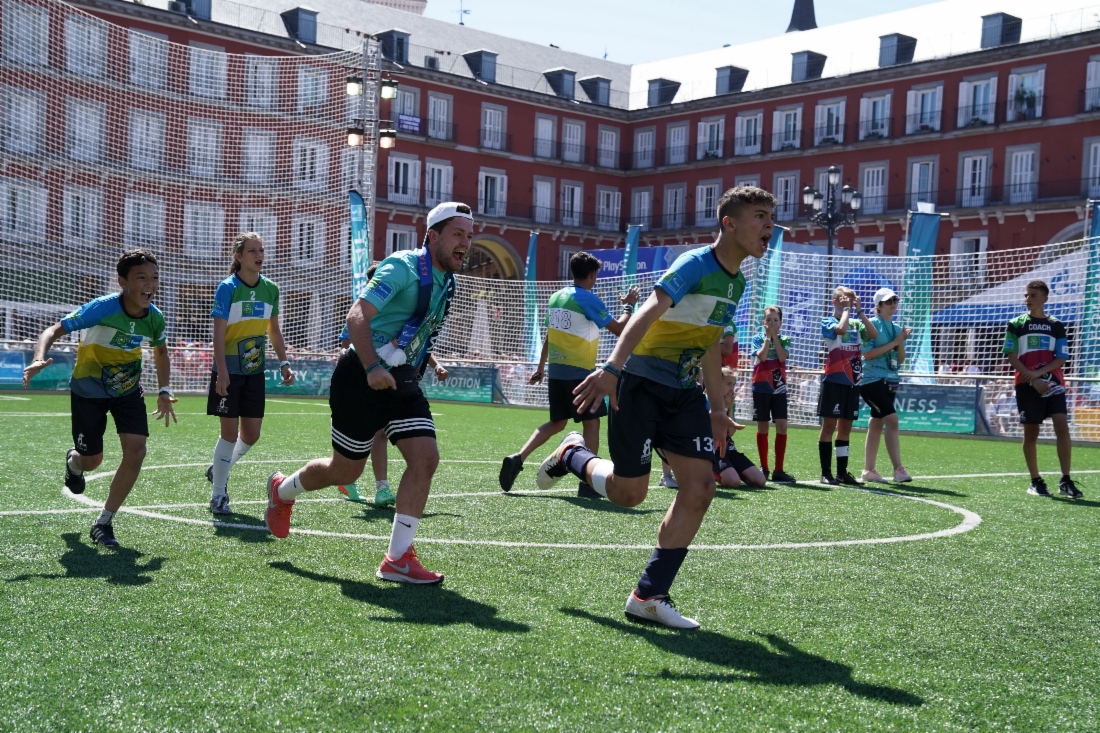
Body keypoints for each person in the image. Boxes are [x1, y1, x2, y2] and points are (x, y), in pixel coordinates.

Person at [535, 185, 776, 629]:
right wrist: (612, 368)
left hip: (683, 394)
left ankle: (648, 594)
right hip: (641, 384)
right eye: (760, 216)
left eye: (771, 217)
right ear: (730, 223)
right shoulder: (694, 265)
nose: (770, 226)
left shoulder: (737, 282)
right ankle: (573, 454)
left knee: (701, 488)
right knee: (631, 495)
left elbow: (706, 344)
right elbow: (646, 312)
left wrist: (717, 408)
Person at [264, 201, 473, 584]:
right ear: (433, 235)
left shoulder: (450, 282)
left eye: (470, 236)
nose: (466, 243)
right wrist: (374, 367)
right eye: (458, 234)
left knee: (425, 458)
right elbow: (356, 316)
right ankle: (283, 489)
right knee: (344, 469)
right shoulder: (403, 266)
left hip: (402, 380)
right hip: (361, 374)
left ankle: (397, 559)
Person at [22, 249, 177, 547]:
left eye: (154, 278)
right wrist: (39, 358)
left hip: (127, 390)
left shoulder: (155, 318)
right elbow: (53, 330)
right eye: (141, 277)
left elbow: (160, 352)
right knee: (92, 461)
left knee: (136, 451)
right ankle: (74, 463)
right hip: (88, 391)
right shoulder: (102, 308)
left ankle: (104, 522)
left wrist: (165, 391)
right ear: (122, 282)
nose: (150, 284)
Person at [498, 252, 639, 497]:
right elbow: (619, 329)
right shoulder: (588, 299)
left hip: (557, 373)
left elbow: (550, 335)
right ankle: (588, 483)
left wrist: (541, 367)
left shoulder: (556, 297)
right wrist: (628, 306)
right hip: (581, 375)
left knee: (557, 422)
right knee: (592, 424)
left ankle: (518, 458)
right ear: (592, 274)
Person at [205, 233, 295, 515]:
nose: (259, 255)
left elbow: (274, 331)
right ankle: (218, 495)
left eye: (262, 250)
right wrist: (221, 372)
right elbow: (218, 335)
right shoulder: (227, 288)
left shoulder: (271, 289)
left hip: (255, 369)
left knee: (252, 434)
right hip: (228, 370)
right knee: (229, 435)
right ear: (239, 256)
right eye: (252, 250)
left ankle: (219, 467)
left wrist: (284, 362)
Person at [1003, 280, 1082, 499]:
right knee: (1032, 432)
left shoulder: (1056, 325)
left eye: (1033, 295)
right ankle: (1036, 481)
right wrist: (1032, 380)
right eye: (1026, 295)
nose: (1028, 299)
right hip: (1026, 386)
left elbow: (1062, 357)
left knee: (1062, 426)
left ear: (1045, 299)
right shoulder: (1015, 324)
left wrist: (1039, 374)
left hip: (1053, 385)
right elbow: (1012, 356)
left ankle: (1065, 480)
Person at [818, 286, 877, 485]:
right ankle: (826, 473)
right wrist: (844, 311)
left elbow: (873, 334)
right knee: (828, 427)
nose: (849, 305)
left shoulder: (855, 323)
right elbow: (840, 330)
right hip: (834, 380)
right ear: (835, 302)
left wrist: (859, 312)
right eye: (844, 301)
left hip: (853, 382)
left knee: (845, 428)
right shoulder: (828, 321)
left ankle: (842, 472)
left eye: (851, 302)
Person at [858, 288, 913, 483]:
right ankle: (898, 469)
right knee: (892, 420)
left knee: (877, 422)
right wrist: (897, 341)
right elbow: (867, 354)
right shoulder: (870, 324)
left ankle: (868, 470)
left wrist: (900, 342)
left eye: (894, 300)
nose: (893, 304)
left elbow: (901, 359)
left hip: (891, 379)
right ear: (878, 306)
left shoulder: (897, 328)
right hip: (871, 380)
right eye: (888, 301)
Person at [750, 305, 795, 483]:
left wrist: (775, 337)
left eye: (775, 320)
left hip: (778, 387)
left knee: (782, 425)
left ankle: (779, 469)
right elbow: (761, 356)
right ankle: (764, 467)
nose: (772, 323)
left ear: (780, 323)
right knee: (763, 427)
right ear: (763, 322)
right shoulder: (757, 338)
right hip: (761, 387)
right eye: (768, 320)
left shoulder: (784, 339)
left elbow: (782, 357)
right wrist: (767, 338)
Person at [713, 367, 767, 489]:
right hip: (714, 451)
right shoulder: (707, 401)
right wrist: (725, 408)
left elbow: (730, 433)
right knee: (733, 482)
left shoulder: (729, 401)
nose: (732, 388)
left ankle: (731, 469)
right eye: (728, 384)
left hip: (730, 450)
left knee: (760, 480)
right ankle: (713, 471)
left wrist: (730, 407)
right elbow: (715, 431)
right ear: (716, 383)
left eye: (734, 384)